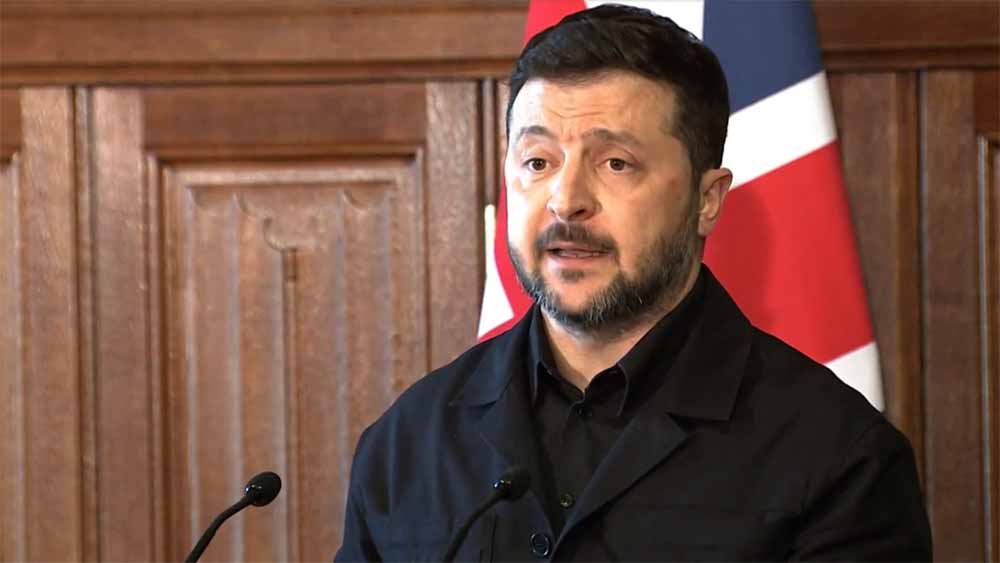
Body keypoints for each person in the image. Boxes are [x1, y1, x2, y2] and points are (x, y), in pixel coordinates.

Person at [335, 4, 932, 561]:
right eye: (538, 162)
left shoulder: (838, 456)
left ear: (706, 199)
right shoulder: (408, 443)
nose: (566, 200)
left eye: (615, 163)